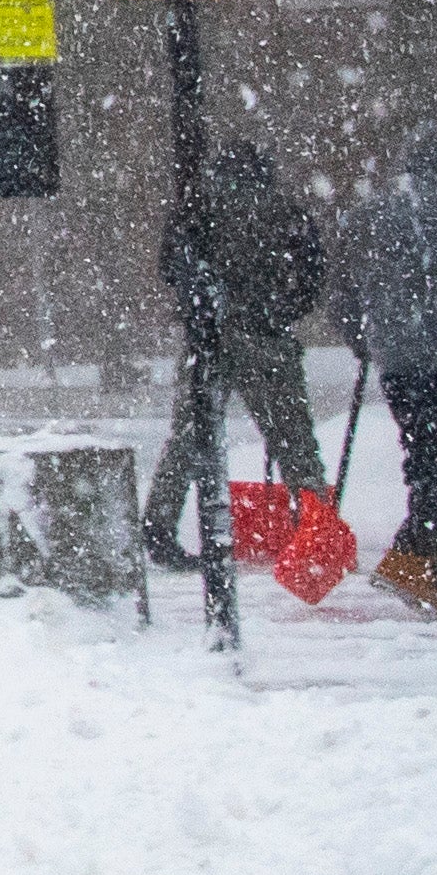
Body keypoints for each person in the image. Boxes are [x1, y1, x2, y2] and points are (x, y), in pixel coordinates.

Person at [140, 140, 329, 572]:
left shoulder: (196, 208)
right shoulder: (285, 211)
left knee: (189, 437)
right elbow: (312, 274)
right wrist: (282, 310)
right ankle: (316, 532)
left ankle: (159, 525)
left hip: (207, 340)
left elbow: (170, 268)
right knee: (294, 440)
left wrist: (202, 307)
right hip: (266, 337)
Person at [340, 135, 437, 623]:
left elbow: (343, 286)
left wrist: (363, 338)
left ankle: (436, 574)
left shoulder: (369, 214)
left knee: (428, 461)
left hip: (395, 359)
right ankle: (419, 559)